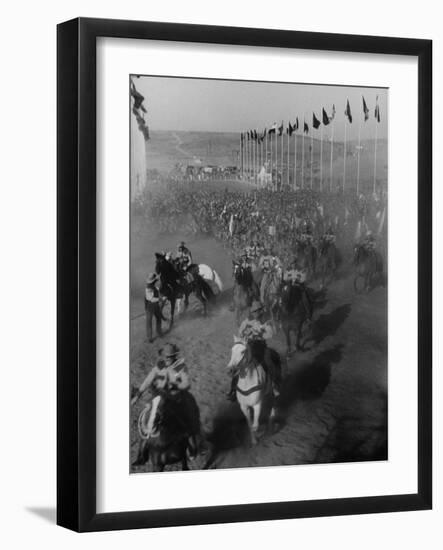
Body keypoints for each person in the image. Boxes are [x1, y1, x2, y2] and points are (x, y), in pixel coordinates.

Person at [227, 301, 277, 401]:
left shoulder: (266, 322)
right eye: (254, 311)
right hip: (248, 346)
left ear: (261, 311)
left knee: (268, 361)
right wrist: (247, 335)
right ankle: (233, 389)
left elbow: (271, 334)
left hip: (260, 346)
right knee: (238, 364)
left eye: (258, 311)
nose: (256, 313)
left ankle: (274, 385)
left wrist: (261, 333)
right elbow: (240, 332)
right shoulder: (246, 321)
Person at [144, 273, 163, 343]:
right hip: (150, 306)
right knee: (149, 321)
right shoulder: (148, 289)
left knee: (158, 318)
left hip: (156, 305)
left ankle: (159, 332)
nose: (155, 282)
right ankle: (150, 337)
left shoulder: (154, 287)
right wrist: (160, 299)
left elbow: (158, 291)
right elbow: (151, 299)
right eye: (154, 281)